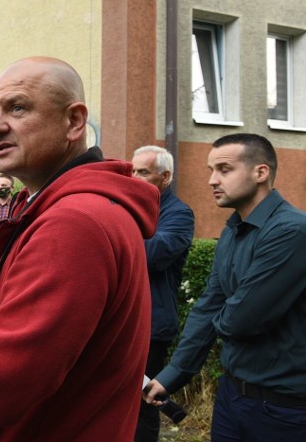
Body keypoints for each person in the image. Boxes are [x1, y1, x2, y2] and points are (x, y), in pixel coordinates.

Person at [0, 56, 159, 441]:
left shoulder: (75, 223)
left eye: (18, 107)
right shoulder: (48, 207)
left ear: (74, 122)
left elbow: (0, 378)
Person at [144, 134, 306, 442]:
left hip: (284, 409)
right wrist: (172, 375)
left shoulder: (293, 231)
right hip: (232, 396)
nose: (212, 180)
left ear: (261, 173)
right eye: (210, 170)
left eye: (224, 169)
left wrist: (222, 313)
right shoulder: (232, 231)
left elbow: (243, 319)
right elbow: (209, 304)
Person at [130, 145, 195, 442]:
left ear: (165, 177)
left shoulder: (179, 214)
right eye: (132, 170)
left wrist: (111, 240)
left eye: (142, 172)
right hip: (125, 321)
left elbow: (154, 254)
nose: (134, 177)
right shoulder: (130, 207)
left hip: (152, 326)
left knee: (143, 406)